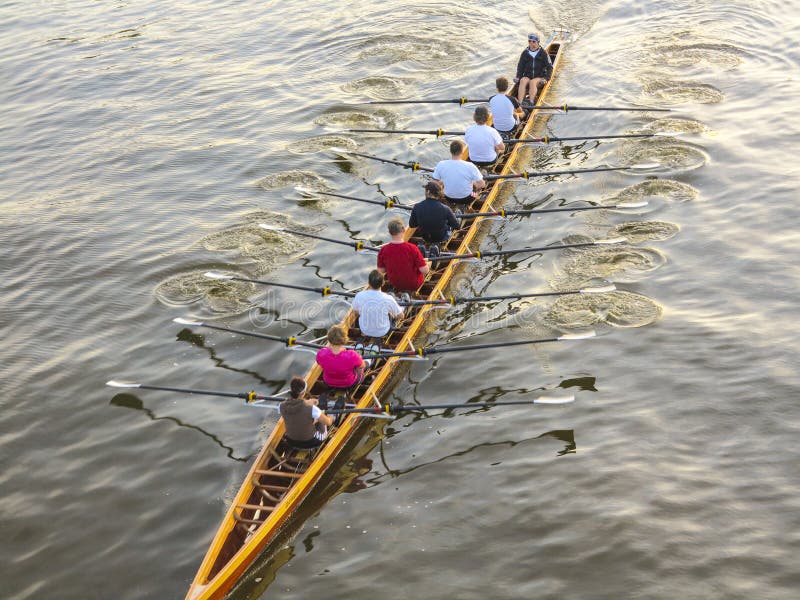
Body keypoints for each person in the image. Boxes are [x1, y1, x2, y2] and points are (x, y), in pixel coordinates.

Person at [377, 218, 430, 292]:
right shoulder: (412, 248)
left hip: (395, 283)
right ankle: (423, 259)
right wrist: (427, 264)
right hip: (414, 284)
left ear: (389, 232)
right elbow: (425, 271)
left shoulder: (383, 250)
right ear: (404, 230)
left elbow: (381, 271)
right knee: (427, 265)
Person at [279, 376, 333, 449]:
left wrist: (307, 402)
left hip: (291, 441)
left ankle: (317, 418)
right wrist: (328, 416)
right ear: (303, 393)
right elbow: (328, 422)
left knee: (309, 418)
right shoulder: (312, 409)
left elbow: (296, 406)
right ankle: (335, 417)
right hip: (310, 442)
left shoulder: (281, 406)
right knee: (326, 419)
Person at [352, 269, 404, 339]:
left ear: (368, 283)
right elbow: (401, 316)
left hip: (364, 330)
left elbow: (355, 312)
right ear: (383, 283)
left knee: (390, 297)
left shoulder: (359, 295)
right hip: (383, 331)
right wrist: (391, 313)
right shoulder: (388, 298)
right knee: (401, 304)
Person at [431, 140, 486, 205]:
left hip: (448, 197)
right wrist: (474, 185)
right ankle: (473, 196)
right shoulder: (470, 166)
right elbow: (482, 184)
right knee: (476, 187)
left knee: (440, 181)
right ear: (462, 151)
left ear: (450, 151)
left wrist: (442, 183)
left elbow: (434, 182)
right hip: (467, 198)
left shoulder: (441, 164)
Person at [316, 324, 368, 389]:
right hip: (349, 383)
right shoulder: (352, 355)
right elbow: (362, 366)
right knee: (364, 364)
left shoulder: (321, 353)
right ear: (345, 339)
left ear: (329, 340)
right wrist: (359, 358)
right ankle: (369, 361)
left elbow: (319, 363)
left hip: (328, 382)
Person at [409, 180, 460, 244]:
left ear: (428, 191)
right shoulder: (445, 208)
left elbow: (412, 225)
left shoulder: (416, 207)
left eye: (425, 190)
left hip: (425, 237)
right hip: (441, 237)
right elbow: (457, 227)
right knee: (456, 217)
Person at [514, 33, 553, 107]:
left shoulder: (543, 53)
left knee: (532, 82)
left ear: (538, 42)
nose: (531, 43)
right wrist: (518, 77)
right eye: (529, 41)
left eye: (534, 41)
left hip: (539, 77)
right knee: (523, 80)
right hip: (528, 76)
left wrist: (546, 78)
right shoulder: (525, 53)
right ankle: (520, 103)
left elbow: (550, 67)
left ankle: (531, 103)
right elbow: (520, 67)